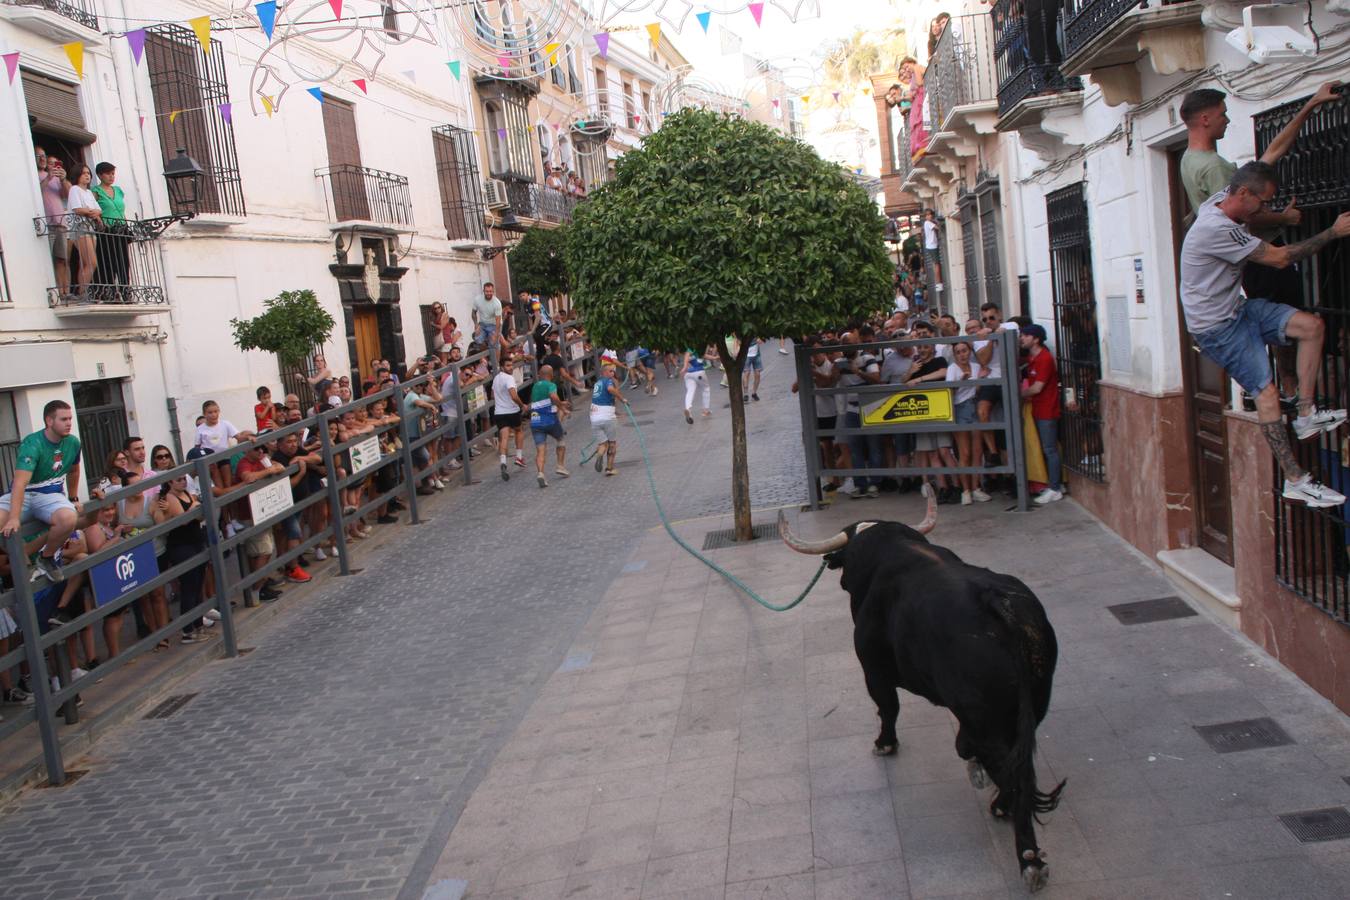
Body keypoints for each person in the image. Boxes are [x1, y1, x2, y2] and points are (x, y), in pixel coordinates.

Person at [1180, 161, 1350, 507]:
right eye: (1263, 202)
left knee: (1311, 326)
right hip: (1217, 328)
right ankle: (1296, 480)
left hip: (1238, 310)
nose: (1265, 210)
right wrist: (1332, 233)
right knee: (1266, 392)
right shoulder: (1216, 228)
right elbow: (1280, 258)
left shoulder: (1220, 199)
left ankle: (1306, 415)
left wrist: (1311, 105)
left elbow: (1269, 157)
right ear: (1244, 194)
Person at [0, 400, 82, 583]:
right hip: (24, 494)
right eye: (63, 419)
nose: (69, 423)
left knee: (69, 518)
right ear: (49, 421)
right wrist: (13, 517)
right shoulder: (33, 443)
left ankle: (46, 558)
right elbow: (19, 484)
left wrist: (74, 497)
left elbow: (74, 470)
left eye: (70, 418)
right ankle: (23, 559)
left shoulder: (73, 442)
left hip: (50, 497)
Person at [151, 471, 212, 643]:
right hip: (181, 545)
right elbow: (184, 519)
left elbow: (200, 515)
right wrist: (195, 505)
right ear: (170, 483)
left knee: (198, 585)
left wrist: (195, 507)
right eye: (179, 480)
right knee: (189, 586)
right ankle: (188, 630)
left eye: (184, 479)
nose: (183, 482)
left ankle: (198, 626)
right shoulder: (170, 498)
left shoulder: (185, 494)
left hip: (195, 541)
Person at [1020, 324, 1063, 505]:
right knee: (1047, 449)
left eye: (1025, 335)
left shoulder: (1044, 358)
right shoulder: (1032, 358)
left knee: (1050, 449)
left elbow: (1037, 387)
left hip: (1047, 409)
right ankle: (1054, 485)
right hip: (1039, 408)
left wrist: (1018, 394)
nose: (1022, 338)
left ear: (1036, 339)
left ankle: (1055, 488)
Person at [946, 341, 991, 505]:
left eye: (964, 351)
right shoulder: (952, 369)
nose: (962, 354)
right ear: (954, 355)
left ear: (969, 351)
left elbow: (978, 389)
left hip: (975, 405)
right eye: (958, 352)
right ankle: (965, 491)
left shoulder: (976, 366)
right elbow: (949, 392)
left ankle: (975, 488)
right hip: (960, 408)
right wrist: (961, 382)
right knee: (964, 452)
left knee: (977, 451)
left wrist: (979, 380)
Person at [91, 161, 130, 301]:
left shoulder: (118, 190)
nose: (111, 176)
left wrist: (127, 225)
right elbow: (93, 209)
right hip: (107, 230)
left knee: (124, 261)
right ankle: (110, 292)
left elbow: (121, 210)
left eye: (113, 173)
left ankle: (126, 292)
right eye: (108, 173)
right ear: (100, 175)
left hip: (122, 229)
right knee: (109, 261)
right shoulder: (95, 192)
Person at [37, 147, 71, 300]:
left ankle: (65, 292)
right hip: (47, 225)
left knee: (62, 259)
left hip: (60, 223)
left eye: (44, 155)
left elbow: (67, 195)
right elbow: (37, 190)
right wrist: (48, 178)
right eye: (39, 156)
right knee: (50, 259)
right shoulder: (35, 175)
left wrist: (63, 179)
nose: (42, 159)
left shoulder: (56, 179)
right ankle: (56, 292)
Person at [528, 365, 568, 488]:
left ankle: (540, 473)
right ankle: (560, 466)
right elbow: (553, 396)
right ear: (551, 375)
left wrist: (559, 403)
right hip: (549, 420)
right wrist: (562, 408)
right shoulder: (551, 385)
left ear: (540, 374)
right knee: (561, 440)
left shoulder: (535, 386)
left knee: (540, 450)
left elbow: (537, 402)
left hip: (535, 421)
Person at [65, 164, 101, 300]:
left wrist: (93, 212)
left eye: (88, 173)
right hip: (80, 227)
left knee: (86, 263)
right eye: (84, 173)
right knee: (91, 262)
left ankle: (83, 291)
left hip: (90, 227)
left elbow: (99, 210)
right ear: (77, 175)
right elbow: (77, 209)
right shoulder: (75, 189)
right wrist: (93, 212)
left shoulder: (89, 192)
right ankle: (83, 293)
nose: (87, 175)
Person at [492, 354, 526, 480]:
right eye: (508, 365)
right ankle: (519, 456)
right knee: (519, 430)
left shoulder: (496, 379)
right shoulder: (509, 378)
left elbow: (492, 395)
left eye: (511, 365)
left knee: (504, 437)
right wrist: (522, 405)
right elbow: (513, 395)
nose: (510, 367)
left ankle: (503, 462)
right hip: (512, 410)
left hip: (499, 412)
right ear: (502, 367)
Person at [589, 362, 627, 476]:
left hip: (594, 417)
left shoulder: (597, 384)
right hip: (607, 416)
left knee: (603, 443)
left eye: (613, 371)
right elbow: (611, 389)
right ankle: (609, 468)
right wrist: (622, 399)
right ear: (604, 372)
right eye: (610, 371)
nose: (613, 373)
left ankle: (600, 454)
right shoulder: (608, 381)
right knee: (612, 443)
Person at [680, 347, 712, 423]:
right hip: (699, 372)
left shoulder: (695, 350)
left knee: (690, 391)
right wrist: (684, 366)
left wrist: (715, 357)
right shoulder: (693, 347)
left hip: (688, 374)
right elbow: (688, 353)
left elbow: (705, 356)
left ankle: (688, 409)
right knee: (706, 389)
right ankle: (705, 410)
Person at [473, 282, 503, 347]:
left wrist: (496, 334)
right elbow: (473, 313)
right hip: (482, 324)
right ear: (483, 291)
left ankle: (495, 354)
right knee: (478, 340)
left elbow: (498, 320)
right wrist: (476, 325)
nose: (489, 293)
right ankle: (486, 355)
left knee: (494, 344)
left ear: (493, 291)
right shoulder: (477, 299)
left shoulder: (497, 303)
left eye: (490, 291)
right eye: (487, 291)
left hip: (494, 325)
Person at [921, 208, 943, 294]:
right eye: (927, 215)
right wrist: (937, 221)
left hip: (931, 246)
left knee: (936, 264)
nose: (929, 216)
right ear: (925, 216)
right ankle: (938, 283)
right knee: (937, 264)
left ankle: (938, 283)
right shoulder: (927, 223)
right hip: (932, 246)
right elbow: (937, 227)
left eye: (930, 214)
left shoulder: (928, 223)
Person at [742, 337, 764, 402]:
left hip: (756, 355)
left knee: (758, 374)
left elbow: (761, 339)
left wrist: (760, 339)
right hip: (746, 355)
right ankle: (745, 394)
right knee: (747, 373)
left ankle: (754, 393)